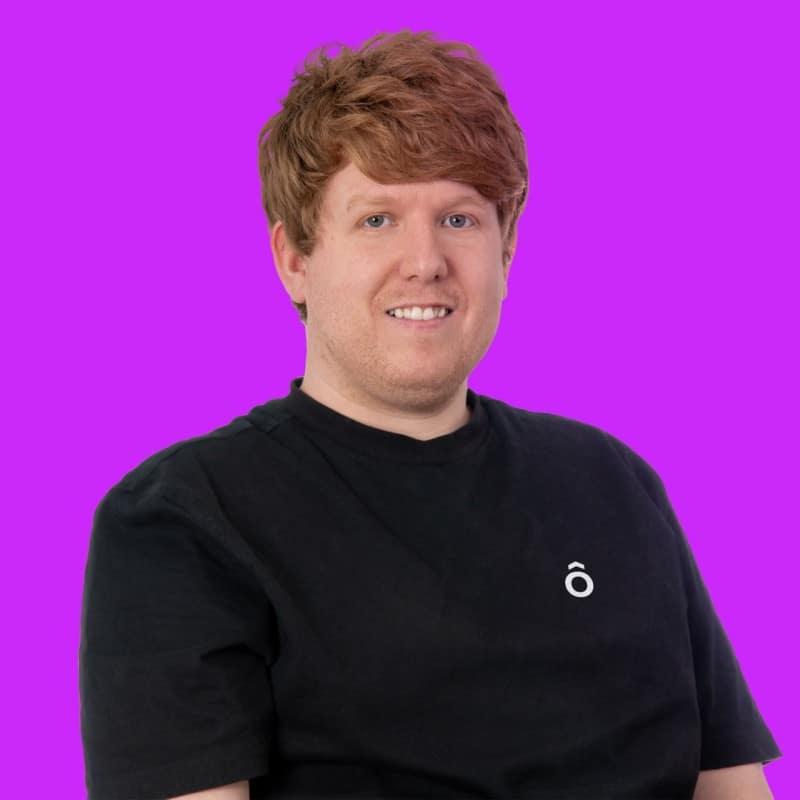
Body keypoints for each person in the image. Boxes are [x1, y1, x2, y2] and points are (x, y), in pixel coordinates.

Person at [79, 30, 781, 800]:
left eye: (460, 218)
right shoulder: (184, 519)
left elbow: (732, 786)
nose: (425, 262)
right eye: (377, 219)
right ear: (294, 260)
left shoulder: (612, 480)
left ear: (505, 250)